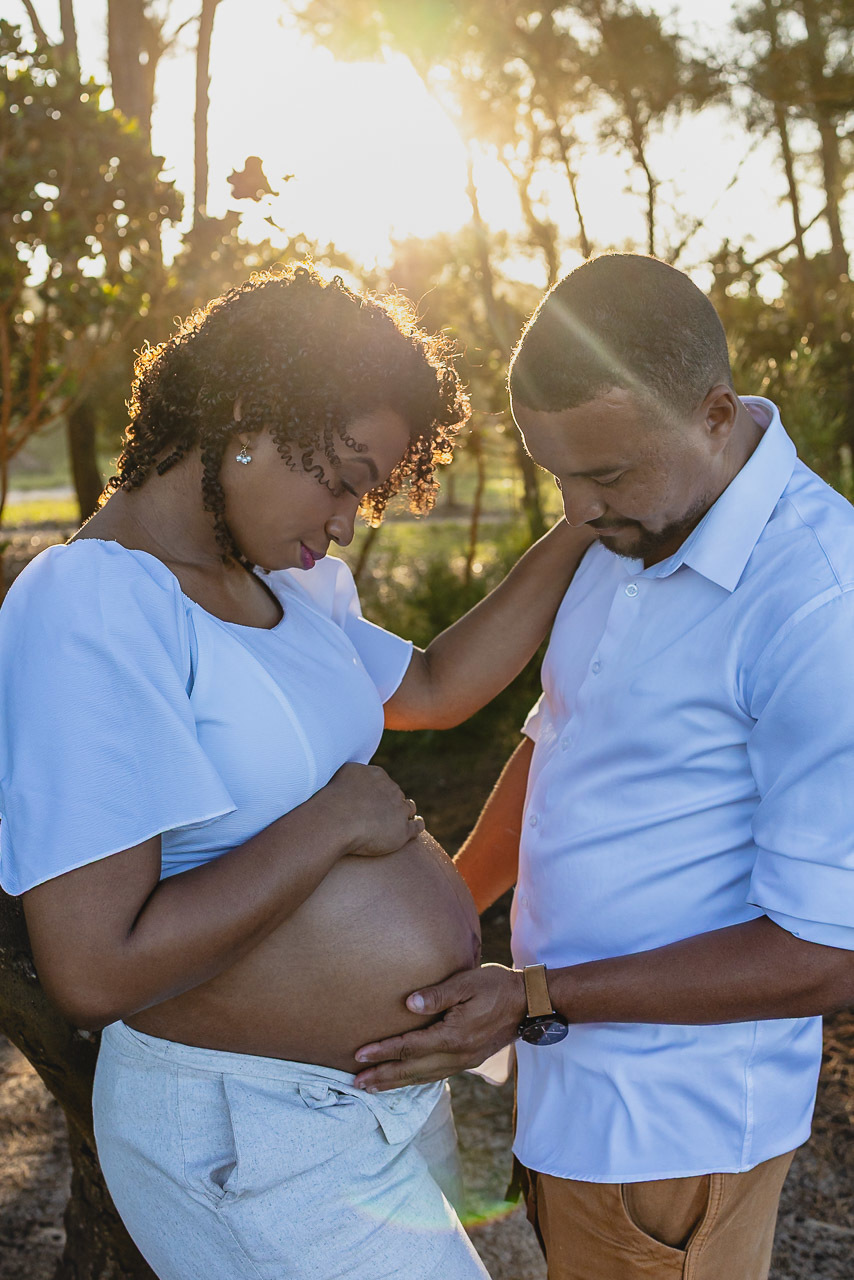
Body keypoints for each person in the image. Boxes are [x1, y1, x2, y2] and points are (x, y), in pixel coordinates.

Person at [0, 265, 594, 1280]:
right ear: (247, 411)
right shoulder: (92, 604)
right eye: (342, 475)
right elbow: (92, 966)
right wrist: (329, 823)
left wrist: (586, 520)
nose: (347, 520)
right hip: (244, 1126)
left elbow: (439, 682)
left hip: (375, 1098)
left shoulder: (285, 576)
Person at [352, 254, 854, 1280]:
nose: (576, 509)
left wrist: (531, 992)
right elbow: (564, 738)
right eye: (555, 475)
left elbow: (825, 952)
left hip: (674, 1136)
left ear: (714, 413)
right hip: (568, 1100)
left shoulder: (818, 601)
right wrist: (439, 918)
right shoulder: (622, 526)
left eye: (606, 474)